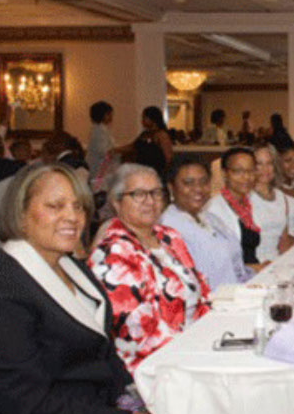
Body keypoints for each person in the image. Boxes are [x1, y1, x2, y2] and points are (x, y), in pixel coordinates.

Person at [0, 163, 174, 414]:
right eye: (55, 206)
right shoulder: (5, 286)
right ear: (20, 213)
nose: (72, 217)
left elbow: (106, 359)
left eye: (77, 206)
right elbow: (31, 408)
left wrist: (139, 407)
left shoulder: (71, 267)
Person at [89, 163, 210, 371]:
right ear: (117, 202)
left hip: (194, 345)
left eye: (155, 193)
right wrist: (196, 349)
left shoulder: (169, 236)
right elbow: (136, 335)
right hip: (152, 365)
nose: (150, 201)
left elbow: (201, 291)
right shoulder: (113, 252)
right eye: (138, 194)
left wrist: (211, 334)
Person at [160, 156, 251, 291]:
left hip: (235, 293)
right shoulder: (168, 228)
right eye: (188, 183)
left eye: (204, 182)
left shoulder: (209, 218)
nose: (198, 189)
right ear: (171, 187)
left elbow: (232, 265)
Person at [205, 147, 265, 267]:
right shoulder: (213, 210)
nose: (246, 177)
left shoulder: (250, 202)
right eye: (238, 171)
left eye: (251, 171)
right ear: (224, 174)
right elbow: (217, 262)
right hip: (235, 275)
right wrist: (255, 268)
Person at [250, 143, 294, 262]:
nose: (265, 169)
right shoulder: (246, 198)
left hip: (277, 261)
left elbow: (284, 240)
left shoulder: (280, 196)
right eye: (259, 164)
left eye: (269, 163)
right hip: (255, 264)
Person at [132, 106, 173, 179]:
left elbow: (168, 157)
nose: (142, 121)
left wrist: (164, 174)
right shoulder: (145, 134)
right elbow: (133, 146)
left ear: (152, 119)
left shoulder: (161, 135)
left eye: (144, 118)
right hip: (141, 172)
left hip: (155, 173)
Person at [86, 100, 115, 186]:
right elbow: (104, 151)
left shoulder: (103, 129)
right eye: (109, 114)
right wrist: (120, 150)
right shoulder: (99, 130)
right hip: (98, 169)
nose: (111, 116)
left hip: (103, 168)